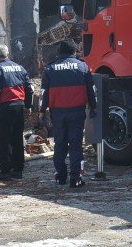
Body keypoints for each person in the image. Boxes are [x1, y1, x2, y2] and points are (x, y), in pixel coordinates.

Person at [41, 39, 96, 188]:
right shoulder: (82, 66)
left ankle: (60, 176)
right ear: (74, 52)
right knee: (76, 145)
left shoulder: (50, 68)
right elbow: (91, 90)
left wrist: (41, 111)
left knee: (60, 144)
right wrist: (94, 107)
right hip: (77, 112)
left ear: (59, 52)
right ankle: (76, 178)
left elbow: (43, 93)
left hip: (57, 113)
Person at [0, 43, 33, 180]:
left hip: (6, 107)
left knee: (3, 139)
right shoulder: (20, 68)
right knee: (17, 138)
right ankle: (18, 170)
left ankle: (5, 170)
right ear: (8, 54)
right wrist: (28, 106)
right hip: (19, 106)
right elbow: (29, 89)